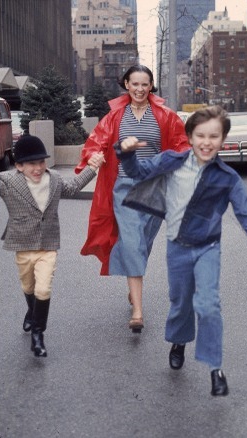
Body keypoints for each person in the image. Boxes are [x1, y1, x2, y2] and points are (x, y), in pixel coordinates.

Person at [116, 106, 247, 396]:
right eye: (201, 135)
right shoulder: (172, 161)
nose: (207, 142)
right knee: (180, 303)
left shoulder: (227, 177)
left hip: (208, 248)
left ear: (223, 139)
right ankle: (179, 341)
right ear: (190, 137)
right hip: (177, 248)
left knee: (208, 304)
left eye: (214, 136)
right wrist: (126, 152)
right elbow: (138, 172)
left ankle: (215, 368)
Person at [75, 65, 190, 333]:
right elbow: (95, 142)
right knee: (132, 242)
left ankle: (133, 284)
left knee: (143, 243)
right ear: (126, 84)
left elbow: (182, 146)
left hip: (155, 188)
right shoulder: (115, 116)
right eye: (134, 84)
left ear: (151, 86)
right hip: (124, 188)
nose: (139, 89)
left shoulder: (166, 116)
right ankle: (138, 311)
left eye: (144, 84)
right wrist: (92, 155)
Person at [0, 136, 105, 357]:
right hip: (22, 245)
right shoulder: (7, 182)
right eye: (31, 164)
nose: (37, 168)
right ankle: (32, 311)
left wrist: (93, 166)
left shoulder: (55, 179)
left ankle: (38, 334)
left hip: (48, 245)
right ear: (19, 166)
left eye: (41, 162)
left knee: (43, 288)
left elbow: (74, 187)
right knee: (28, 287)